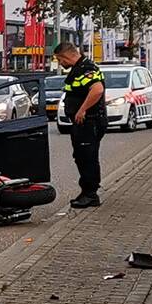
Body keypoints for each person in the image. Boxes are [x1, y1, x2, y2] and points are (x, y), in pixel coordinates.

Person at [55, 42, 106, 208]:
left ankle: (91, 194)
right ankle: (86, 192)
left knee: (88, 157)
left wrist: (82, 110)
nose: (60, 63)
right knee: (82, 157)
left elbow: (97, 89)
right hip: (83, 123)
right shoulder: (78, 69)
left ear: (66, 56)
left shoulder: (86, 68)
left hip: (89, 121)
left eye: (59, 59)